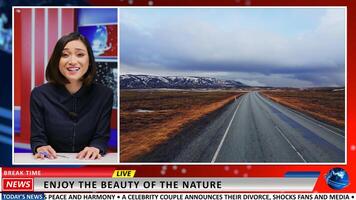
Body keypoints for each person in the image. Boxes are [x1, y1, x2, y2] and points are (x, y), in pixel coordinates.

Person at [30, 32, 113, 160]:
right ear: (57, 60)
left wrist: (96, 147)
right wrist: (40, 146)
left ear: (89, 60)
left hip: (88, 165)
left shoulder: (104, 94)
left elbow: (101, 137)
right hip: (52, 163)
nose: (72, 61)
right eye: (65, 55)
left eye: (80, 54)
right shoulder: (39, 94)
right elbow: (37, 137)